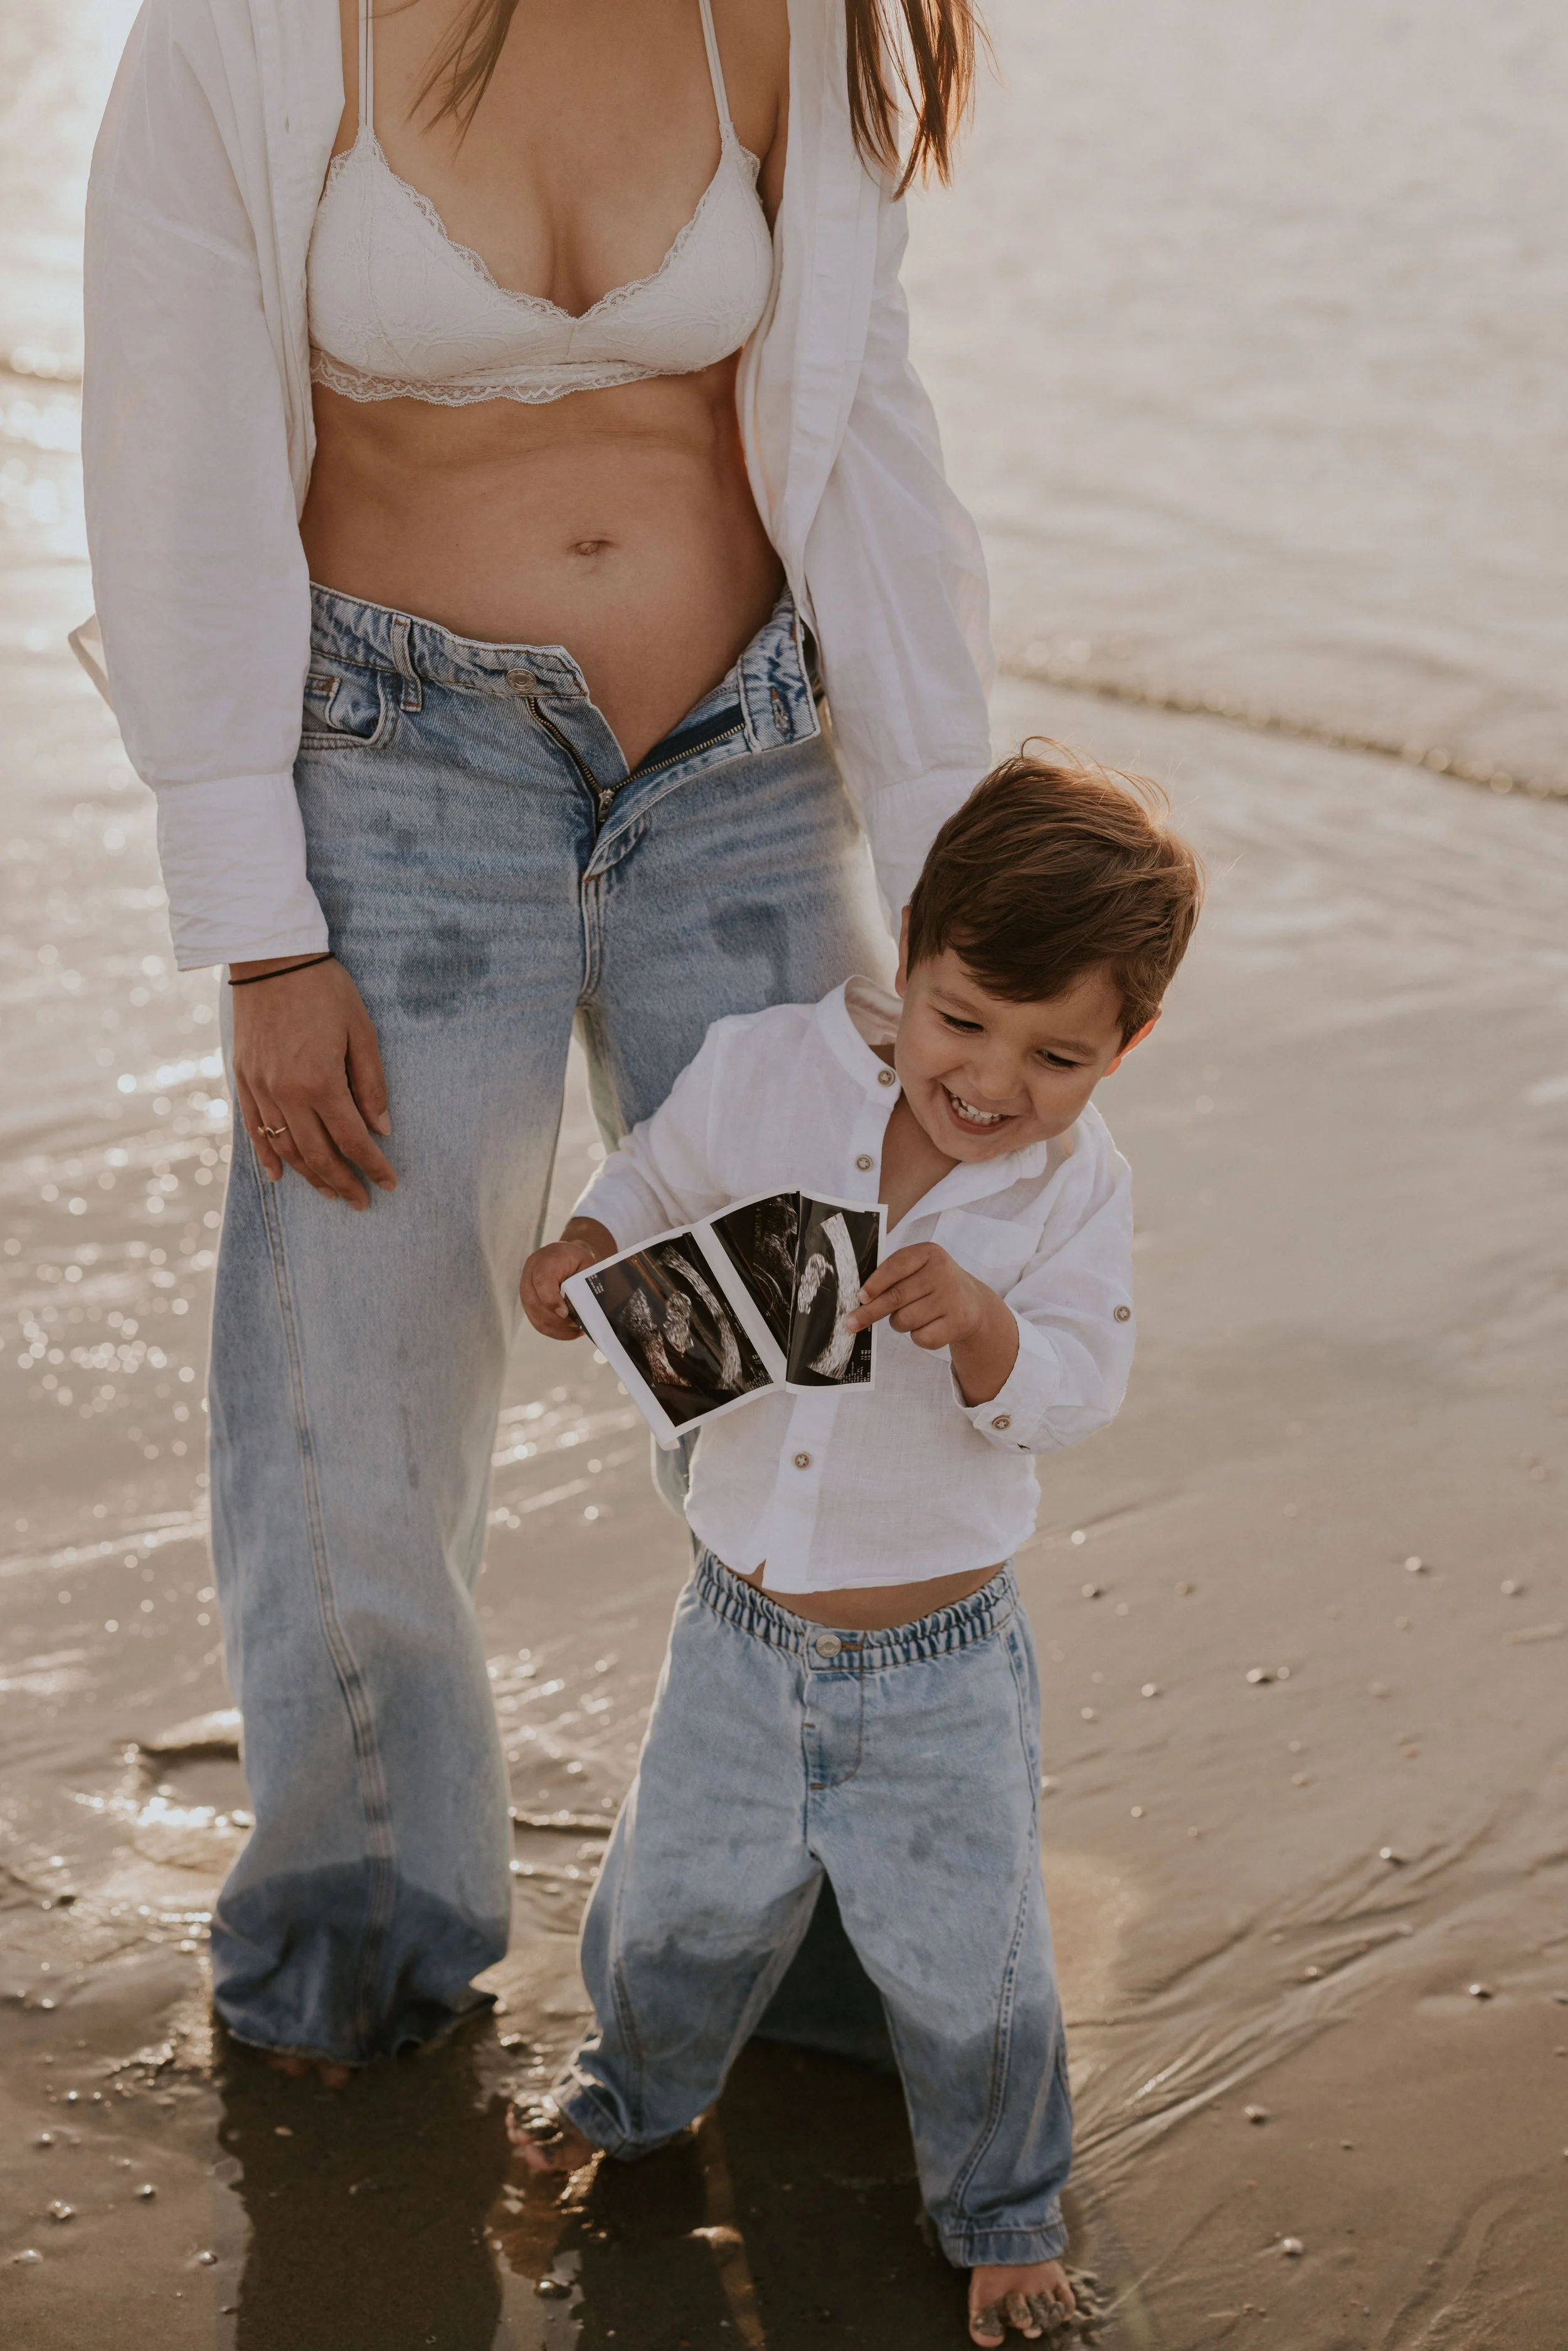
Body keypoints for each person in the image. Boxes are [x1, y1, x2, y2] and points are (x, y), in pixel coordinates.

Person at [79, 0, 992, 2074]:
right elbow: (173, 445)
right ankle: (359, 1947)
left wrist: (959, 880)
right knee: (360, 1401)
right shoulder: (244, 29)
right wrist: (256, 934)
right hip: (402, 796)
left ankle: (814, 1939)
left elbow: (870, 426)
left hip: (747, 774)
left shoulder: (793, 16)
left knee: (798, 1373)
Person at [516, 751, 1202, 2345]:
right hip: (736, 1629)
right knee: (673, 1899)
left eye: (1055, 1055)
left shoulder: (1071, 1190)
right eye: (962, 1020)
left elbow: (1077, 1385)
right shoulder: (771, 1069)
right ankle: (627, 2096)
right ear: (906, 955)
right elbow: (656, 1180)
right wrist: (588, 1248)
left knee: (969, 1953)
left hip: (938, 1662)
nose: (989, 1080)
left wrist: (979, 1332)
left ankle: (1002, 2206)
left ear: (1126, 1047)